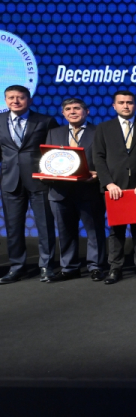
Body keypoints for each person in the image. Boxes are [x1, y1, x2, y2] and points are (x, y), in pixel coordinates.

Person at [93, 90, 136, 284]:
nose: (126, 105)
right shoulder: (104, 128)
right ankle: (115, 268)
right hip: (115, 188)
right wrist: (108, 183)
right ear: (114, 106)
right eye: (121, 102)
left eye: (129, 102)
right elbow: (98, 157)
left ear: (135, 105)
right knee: (116, 229)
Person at [0, 85, 60, 283]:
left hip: (39, 181)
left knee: (45, 226)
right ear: (5, 100)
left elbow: (54, 152)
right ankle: (17, 267)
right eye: (11, 97)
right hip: (10, 181)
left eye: (20, 97)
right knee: (13, 228)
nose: (15, 101)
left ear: (30, 100)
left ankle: (46, 266)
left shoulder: (45, 121)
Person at [45, 98, 106, 281]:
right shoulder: (54, 133)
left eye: (77, 108)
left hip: (89, 190)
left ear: (86, 112)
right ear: (63, 113)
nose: (72, 112)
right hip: (60, 192)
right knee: (65, 231)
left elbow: (107, 158)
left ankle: (95, 266)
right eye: (68, 109)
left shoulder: (99, 131)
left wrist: (99, 175)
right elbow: (48, 158)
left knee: (94, 230)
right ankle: (69, 267)